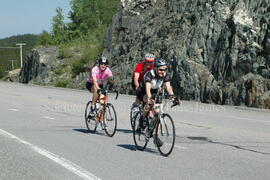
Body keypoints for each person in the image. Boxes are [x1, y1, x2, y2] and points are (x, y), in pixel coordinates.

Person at [136, 58, 179, 147]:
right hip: (143, 91)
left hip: (155, 91)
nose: (163, 71)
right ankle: (142, 118)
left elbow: (168, 87)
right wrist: (149, 97)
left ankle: (156, 136)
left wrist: (173, 97)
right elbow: (148, 89)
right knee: (149, 102)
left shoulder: (165, 75)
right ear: (155, 68)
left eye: (164, 69)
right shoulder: (149, 74)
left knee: (158, 113)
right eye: (160, 69)